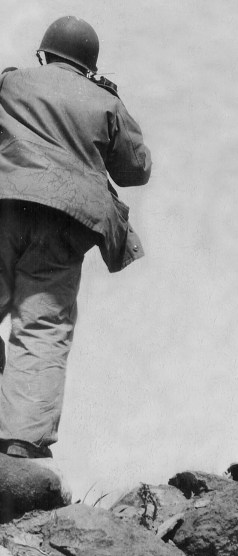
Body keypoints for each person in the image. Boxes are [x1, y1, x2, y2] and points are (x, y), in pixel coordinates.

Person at [0, 15, 151, 470]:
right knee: (43, 325)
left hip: (5, 206)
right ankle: (21, 442)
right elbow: (136, 170)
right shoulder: (105, 102)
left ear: (46, 53)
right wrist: (112, 99)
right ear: (88, 64)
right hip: (66, 222)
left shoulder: (12, 83)